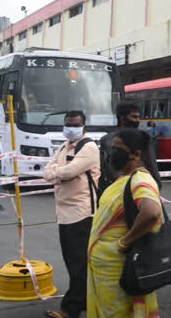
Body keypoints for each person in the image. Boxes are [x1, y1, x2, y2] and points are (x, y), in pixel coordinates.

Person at [86, 128, 162, 318]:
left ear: (136, 155)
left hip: (117, 268)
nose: (113, 153)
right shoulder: (124, 178)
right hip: (105, 267)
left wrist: (124, 242)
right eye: (112, 148)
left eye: (118, 149)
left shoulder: (141, 180)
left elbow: (152, 212)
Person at [43, 111, 101, 318]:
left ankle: (71, 309)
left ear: (84, 126)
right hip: (64, 212)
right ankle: (83, 300)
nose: (70, 128)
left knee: (78, 263)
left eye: (75, 124)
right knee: (72, 261)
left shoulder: (90, 147)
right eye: (67, 124)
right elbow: (47, 170)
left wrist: (57, 172)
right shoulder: (63, 145)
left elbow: (67, 172)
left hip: (82, 212)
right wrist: (59, 172)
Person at [99, 102, 161, 192]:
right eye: (134, 117)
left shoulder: (143, 138)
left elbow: (151, 164)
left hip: (139, 187)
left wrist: (156, 185)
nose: (137, 120)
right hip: (114, 188)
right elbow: (104, 167)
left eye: (138, 117)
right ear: (122, 118)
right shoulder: (107, 140)